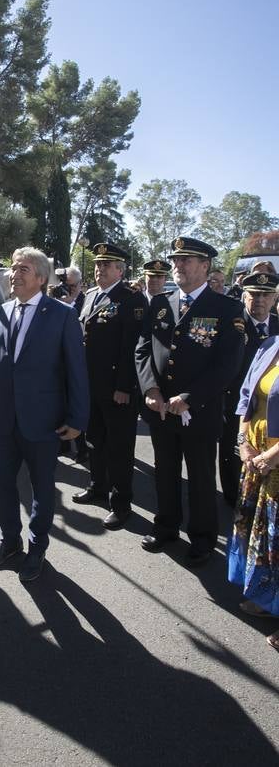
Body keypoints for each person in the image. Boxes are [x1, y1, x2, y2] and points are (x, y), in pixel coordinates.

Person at [0, 247, 89, 582]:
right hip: (5, 422)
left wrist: (78, 419)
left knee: (42, 489)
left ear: (41, 278)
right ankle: (9, 542)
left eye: (23, 269)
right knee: (2, 485)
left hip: (44, 423)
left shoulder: (62, 315)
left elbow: (76, 373)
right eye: (12, 268)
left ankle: (37, 547)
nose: (14, 273)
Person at [135, 236, 244, 566]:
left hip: (200, 411)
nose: (178, 265)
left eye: (187, 260)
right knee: (164, 472)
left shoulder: (226, 308)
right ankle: (166, 526)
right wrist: (150, 389)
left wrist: (190, 398)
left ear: (205, 266)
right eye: (176, 259)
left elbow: (228, 364)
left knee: (199, 478)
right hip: (162, 410)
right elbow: (143, 349)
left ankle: (202, 538)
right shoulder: (160, 302)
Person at [73, 242, 147, 529]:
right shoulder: (90, 295)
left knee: (120, 448)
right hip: (91, 386)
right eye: (97, 264)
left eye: (107, 265)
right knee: (95, 442)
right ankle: (97, 487)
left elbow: (133, 347)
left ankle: (121, 503)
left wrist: (125, 386)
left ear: (121, 269)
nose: (100, 269)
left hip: (118, 388)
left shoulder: (131, 298)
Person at [228, 332, 279, 651]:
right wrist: (243, 442)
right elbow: (247, 397)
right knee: (264, 536)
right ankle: (267, 597)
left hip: (272, 459)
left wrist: (272, 456)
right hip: (257, 458)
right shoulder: (270, 343)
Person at [219, 272, 279, 506]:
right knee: (232, 453)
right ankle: (233, 497)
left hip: (270, 409)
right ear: (244, 296)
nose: (259, 300)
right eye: (254, 294)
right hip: (235, 402)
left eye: (265, 295)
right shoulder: (232, 324)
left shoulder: (277, 326)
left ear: (274, 299)